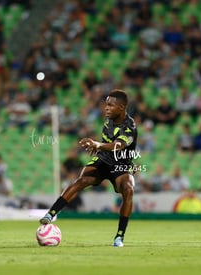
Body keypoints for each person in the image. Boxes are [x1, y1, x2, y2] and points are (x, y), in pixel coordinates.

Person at [39, 89, 137, 247]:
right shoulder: (108, 123)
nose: (106, 108)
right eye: (106, 104)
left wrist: (98, 144)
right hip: (104, 160)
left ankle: (119, 236)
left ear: (122, 107)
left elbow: (119, 146)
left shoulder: (130, 125)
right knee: (82, 180)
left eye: (111, 105)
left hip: (122, 164)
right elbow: (107, 146)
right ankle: (50, 214)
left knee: (128, 188)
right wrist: (97, 148)